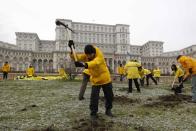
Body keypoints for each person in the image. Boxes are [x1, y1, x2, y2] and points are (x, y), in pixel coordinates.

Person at [69, 41, 114, 119]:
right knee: (94, 98)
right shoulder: (87, 55)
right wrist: (72, 49)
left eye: (90, 55)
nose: (88, 57)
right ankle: (93, 113)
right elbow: (77, 57)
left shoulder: (99, 55)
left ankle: (108, 110)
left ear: (93, 52)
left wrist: (84, 64)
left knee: (109, 96)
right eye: (87, 55)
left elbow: (95, 62)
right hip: (95, 80)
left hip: (105, 78)